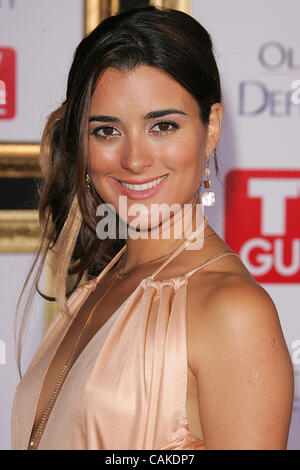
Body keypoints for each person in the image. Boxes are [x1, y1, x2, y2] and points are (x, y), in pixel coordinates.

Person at [12, 5, 294, 450]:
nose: (135, 159)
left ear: (212, 128)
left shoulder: (232, 312)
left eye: (162, 126)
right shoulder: (97, 287)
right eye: (106, 131)